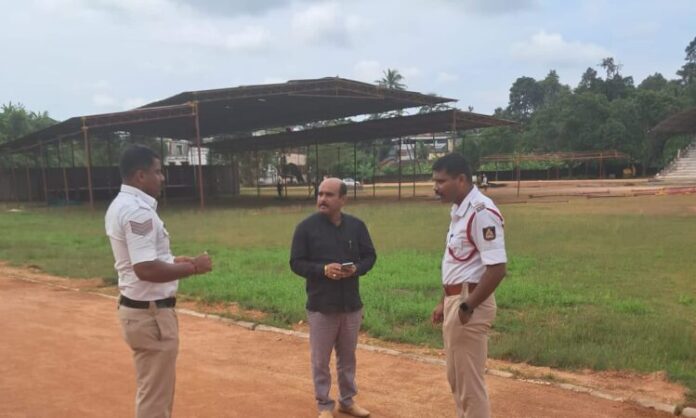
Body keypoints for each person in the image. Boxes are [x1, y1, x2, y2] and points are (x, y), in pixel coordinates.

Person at [105, 145, 212, 418]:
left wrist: (174, 261)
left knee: (153, 391)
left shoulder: (121, 205)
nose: (162, 178)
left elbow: (145, 260)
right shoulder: (138, 212)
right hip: (150, 316)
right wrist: (193, 268)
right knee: (155, 399)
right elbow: (146, 269)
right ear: (140, 176)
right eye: (158, 172)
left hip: (140, 311)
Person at [290, 178, 377, 418]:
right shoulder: (305, 228)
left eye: (329, 195)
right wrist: (323, 270)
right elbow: (296, 262)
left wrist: (356, 269)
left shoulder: (356, 226)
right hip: (321, 305)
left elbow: (370, 256)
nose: (322, 199)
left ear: (343, 199)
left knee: (347, 358)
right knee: (320, 360)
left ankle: (347, 401)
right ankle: (324, 405)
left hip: (351, 304)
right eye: (320, 194)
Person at [430, 153, 507, 418]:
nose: (436, 187)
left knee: (469, 386)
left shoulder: (481, 213)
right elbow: (457, 264)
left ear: (461, 179)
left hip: (469, 303)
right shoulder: (459, 212)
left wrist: (467, 306)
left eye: (441, 181)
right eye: (435, 181)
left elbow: (497, 269)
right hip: (457, 300)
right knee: (458, 379)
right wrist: (443, 301)